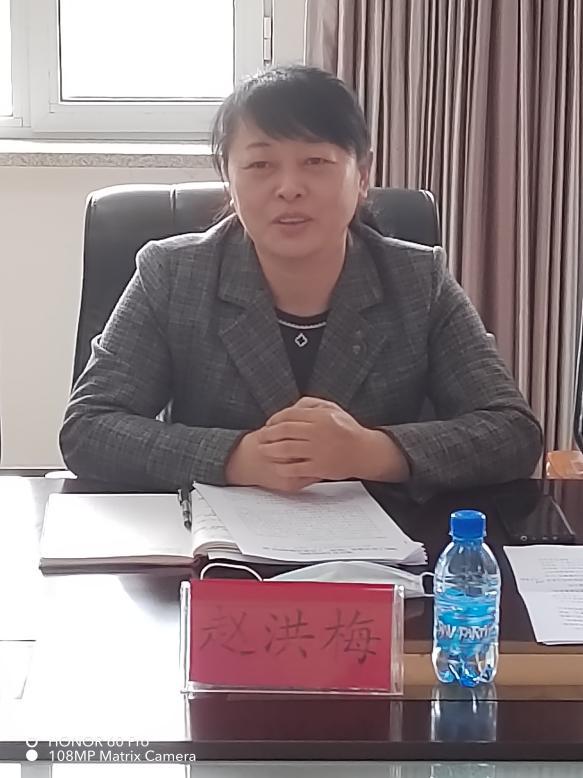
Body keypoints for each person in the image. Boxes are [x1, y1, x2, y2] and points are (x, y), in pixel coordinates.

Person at [60, 65, 542, 501]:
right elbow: (88, 428)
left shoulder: (418, 279)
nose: (289, 188)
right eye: (260, 165)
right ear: (229, 179)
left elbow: (512, 432)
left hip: (380, 554)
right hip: (219, 551)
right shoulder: (172, 274)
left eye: (315, 162)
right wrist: (236, 458)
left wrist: (372, 452)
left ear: (362, 176)